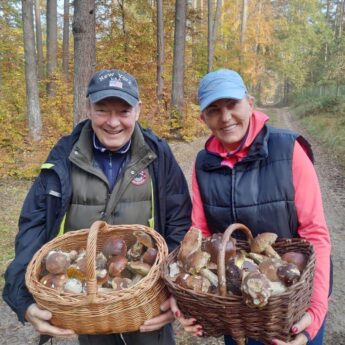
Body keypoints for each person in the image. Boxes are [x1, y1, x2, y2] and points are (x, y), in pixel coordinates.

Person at [3, 69, 192, 345]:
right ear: (88, 108)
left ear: (138, 110)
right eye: (102, 110)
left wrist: (173, 291)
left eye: (124, 111)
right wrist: (22, 298)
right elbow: (34, 224)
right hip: (88, 308)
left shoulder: (157, 154)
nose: (113, 122)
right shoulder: (64, 156)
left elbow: (179, 223)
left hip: (147, 305)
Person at [172, 69, 331, 345]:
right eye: (213, 109)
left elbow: (315, 234)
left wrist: (315, 311)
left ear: (250, 102)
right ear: (203, 118)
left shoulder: (288, 150)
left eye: (232, 104)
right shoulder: (203, 164)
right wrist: (184, 293)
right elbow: (199, 233)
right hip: (238, 306)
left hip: (291, 301)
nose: (225, 117)